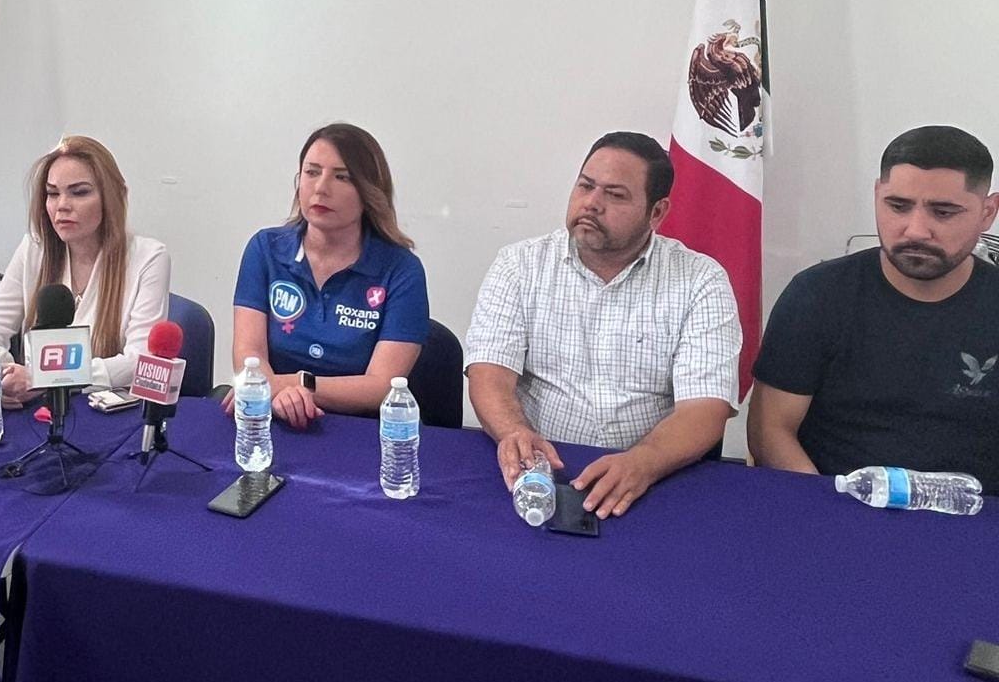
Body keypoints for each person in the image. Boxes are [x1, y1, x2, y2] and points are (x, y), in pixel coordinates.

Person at [463, 131, 739, 519]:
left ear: (657, 213)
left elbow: (705, 408)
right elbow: (489, 372)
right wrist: (514, 432)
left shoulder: (700, 281)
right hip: (540, 467)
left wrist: (644, 462)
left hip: (650, 474)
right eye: (585, 185)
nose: (592, 203)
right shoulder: (519, 265)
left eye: (615, 195)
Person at [749, 125, 999, 493]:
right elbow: (770, 431)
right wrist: (826, 508)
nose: (916, 230)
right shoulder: (817, 295)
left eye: (943, 212)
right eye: (898, 206)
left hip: (975, 513)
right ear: (877, 195)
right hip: (835, 502)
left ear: (987, 212)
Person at [223, 123, 430, 428]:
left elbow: (381, 385)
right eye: (312, 172)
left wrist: (297, 385)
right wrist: (277, 394)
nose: (321, 188)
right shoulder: (265, 249)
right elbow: (249, 355)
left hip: (362, 429)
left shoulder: (401, 269)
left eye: (341, 177)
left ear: (369, 191)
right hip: (274, 417)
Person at [0, 136, 171, 407]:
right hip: (37, 411)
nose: (62, 205)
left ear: (111, 198)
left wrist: (43, 378)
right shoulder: (34, 249)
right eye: (53, 193)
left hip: (108, 415)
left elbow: (141, 362)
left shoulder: (148, 257)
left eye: (79, 192)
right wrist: (0, 376)